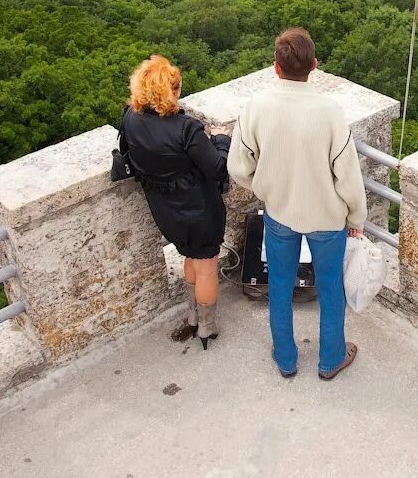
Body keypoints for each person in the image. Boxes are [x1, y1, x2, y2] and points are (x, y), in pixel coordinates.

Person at [228, 28, 367, 380]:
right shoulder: (330, 112)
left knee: (279, 283)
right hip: (327, 219)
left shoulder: (257, 107)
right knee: (331, 285)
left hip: (280, 214)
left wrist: (265, 187)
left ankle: (286, 358)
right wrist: (357, 216)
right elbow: (348, 177)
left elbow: (238, 167)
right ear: (314, 66)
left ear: (276, 67)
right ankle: (331, 358)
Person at [121, 55, 231, 350]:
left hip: (166, 210)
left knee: (189, 257)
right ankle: (207, 328)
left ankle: (192, 317)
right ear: (173, 92)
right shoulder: (186, 129)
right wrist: (221, 140)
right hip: (199, 210)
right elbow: (218, 168)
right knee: (207, 265)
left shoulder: (130, 118)